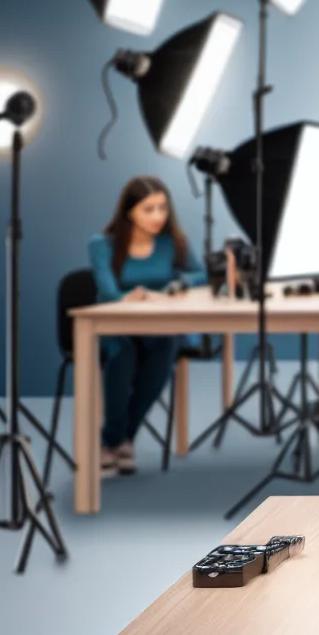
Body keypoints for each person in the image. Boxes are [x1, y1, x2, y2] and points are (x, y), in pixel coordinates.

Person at [88, 176, 203, 477]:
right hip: (115, 329)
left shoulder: (173, 243)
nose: (158, 216)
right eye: (148, 209)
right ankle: (116, 440)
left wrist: (178, 284)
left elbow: (202, 274)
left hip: (158, 328)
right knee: (121, 356)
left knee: (165, 348)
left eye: (162, 208)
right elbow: (108, 291)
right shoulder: (102, 245)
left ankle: (119, 440)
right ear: (129, 212)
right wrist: (129, 298)